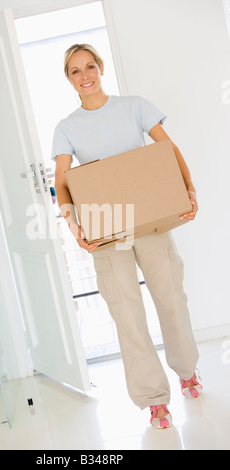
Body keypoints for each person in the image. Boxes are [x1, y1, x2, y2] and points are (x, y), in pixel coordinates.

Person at [52, 44, 202, 429]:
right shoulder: (66, 128)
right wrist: (75, 228)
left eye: (89, 67)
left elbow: (167, 148)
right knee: (128, 317)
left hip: (151, 221)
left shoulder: (134, 106)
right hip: (106, 231)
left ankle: (187, 371)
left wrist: (188, 191)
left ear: (101, 68)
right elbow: (63, 183)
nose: (84, 76)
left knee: (171, 299)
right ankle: (154, 400)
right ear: (68, 79)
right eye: (74, 72)